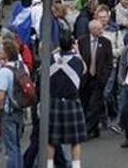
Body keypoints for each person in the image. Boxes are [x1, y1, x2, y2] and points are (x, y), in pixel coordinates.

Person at [47, 32, 87, 168]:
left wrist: (57, 50)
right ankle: (76, 166)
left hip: (54, 101)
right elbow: (84, 70)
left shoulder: (51, 59)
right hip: (71, 102)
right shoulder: (77, 61)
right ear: (72, 44)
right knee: (75, 140)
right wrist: (77, 50)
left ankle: (49, 165)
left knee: (51, 139)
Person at [0, 39, 27, 168]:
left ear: (6, 53)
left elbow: (1, 96)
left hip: (8, 112)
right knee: (17, 145)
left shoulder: (4, 71)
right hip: (19, 109)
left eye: (1, 49)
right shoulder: (21, 67)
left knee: (10, 148)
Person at [78, 19, 112, 139]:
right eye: (98, 29)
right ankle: (94, 129)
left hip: (99, 78)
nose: (101, 31)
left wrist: (105, 75)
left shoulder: (106, 42)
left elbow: (109, 61)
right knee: (85, 104)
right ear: (91, 30)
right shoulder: (82, 41)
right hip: (85, 79)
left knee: (94, 105)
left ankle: (87, 131)